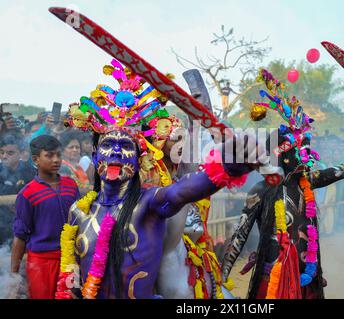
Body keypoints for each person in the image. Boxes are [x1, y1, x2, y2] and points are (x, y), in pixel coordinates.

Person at [54, 60, 263, 299]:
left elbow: (183, 191)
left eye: (125, 146)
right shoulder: (77, 212)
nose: (116, 152)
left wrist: (230, 164)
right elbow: (70, 278)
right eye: (108, 145)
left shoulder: (150, 204)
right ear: (94, 155)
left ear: (139, 159)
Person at [221, 69, 344, 299]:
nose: (308, 156)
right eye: (301, 151)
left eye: (307, 149)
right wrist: (220, 283)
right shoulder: (262, 190)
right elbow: (238, 237)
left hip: (307, 281)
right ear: (282, 156)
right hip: (273, 284)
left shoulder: (309, 181)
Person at [10, 135, 80, 299]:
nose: (56, 160)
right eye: (49, 155)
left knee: (72, 296)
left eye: (58, 155)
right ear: (36, 159)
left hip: (70, 260)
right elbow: (20, 236)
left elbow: (80, 221)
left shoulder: (71, 185)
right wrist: (13, 276)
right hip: (42, 263)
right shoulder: (27, 194)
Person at [0, 133, 36, 245]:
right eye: (2, 152)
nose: (4, 156)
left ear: (20, 153)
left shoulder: (30, 171)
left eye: (10, 153)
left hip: (25, 221)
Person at [59, 131, 91, 195]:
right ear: (62, 150)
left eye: (77, 147)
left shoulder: (78, 166)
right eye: (71, 147)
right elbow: (77, 189)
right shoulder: (62, 167)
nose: (75, 150)